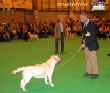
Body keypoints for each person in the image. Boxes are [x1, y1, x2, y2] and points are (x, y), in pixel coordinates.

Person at [80, 12, 99, 79]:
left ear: (85, 17)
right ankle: (89, 71)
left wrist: (85, 43)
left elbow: (92, 35)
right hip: (86, 45)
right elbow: (84, 35)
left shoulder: (92, 24)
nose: (80, 19)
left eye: (81, 18)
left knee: (93, 59)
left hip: (92, 44)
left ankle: (95, 73)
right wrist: (82, 43)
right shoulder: (83, 24)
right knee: (87, 58)